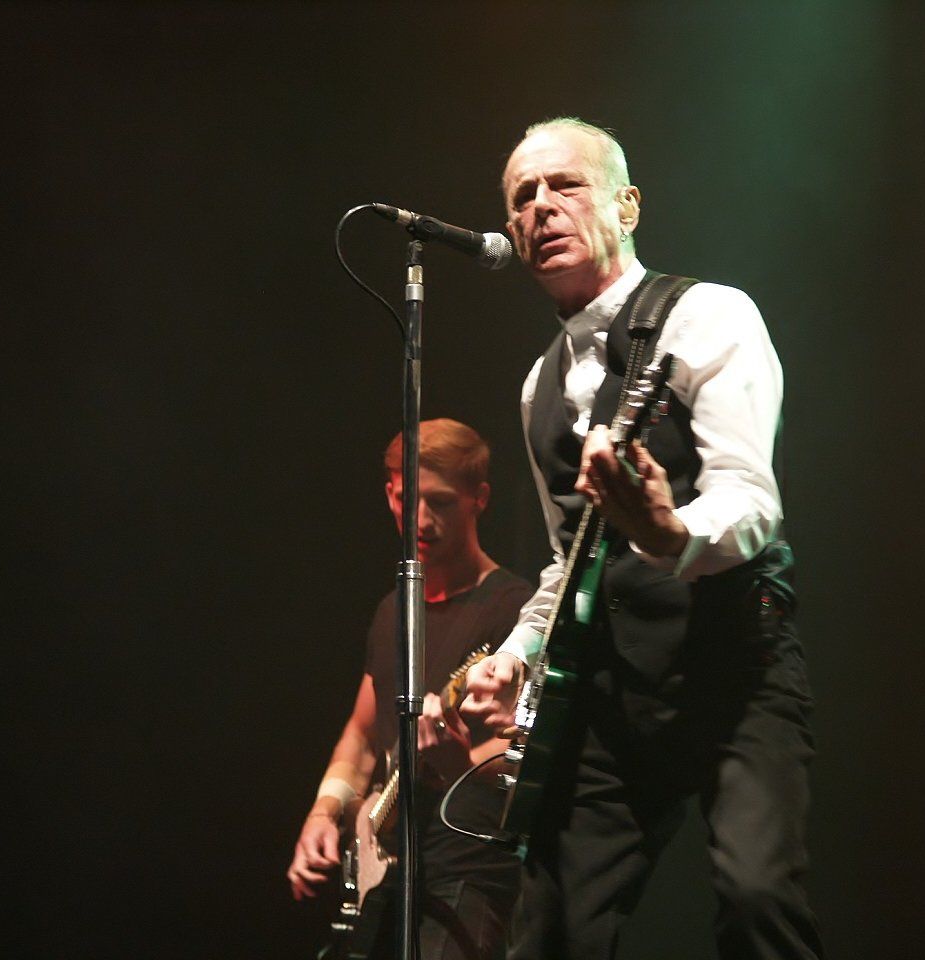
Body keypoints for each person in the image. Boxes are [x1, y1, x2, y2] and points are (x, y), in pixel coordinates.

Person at [461, 118, 824, 960]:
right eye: (522, 197)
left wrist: (669, 532)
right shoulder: (538, 388)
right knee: (551, 927)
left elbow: (750, 498)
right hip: (617, 687)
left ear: (626, 206)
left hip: (737, 665)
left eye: (565, 185)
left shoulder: (710, 315)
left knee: (758, 899)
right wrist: (514, 654)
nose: (541, 207)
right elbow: (569, 560)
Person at [288, 418, 531, 960]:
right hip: (389, 879)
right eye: (406, 499)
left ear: (480, 498)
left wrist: (458, 762)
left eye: (440, 502)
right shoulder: (392, 611)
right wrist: (324, 813)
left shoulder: (517, 612)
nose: (420, 519)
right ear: (388, 494)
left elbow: (520, 756)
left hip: (467, 875)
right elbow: (361, 737)